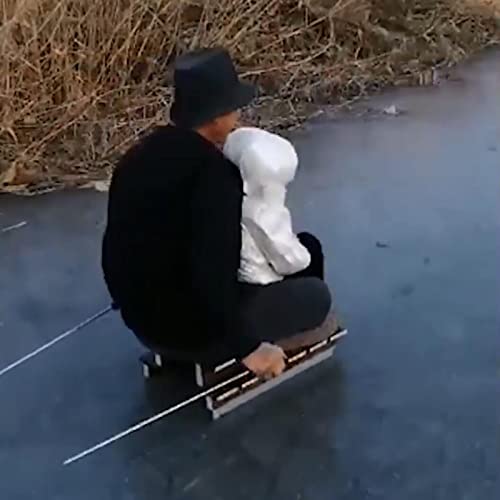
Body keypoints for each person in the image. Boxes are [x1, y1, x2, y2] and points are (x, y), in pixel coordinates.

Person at [101, 48, 334, 380]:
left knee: (300, 253)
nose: (238, 116)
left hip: (142, 322)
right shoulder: (215, 177)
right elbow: (210, 276)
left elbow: (113, 248)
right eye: (234, 108)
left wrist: (128, 300)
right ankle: (258, 347)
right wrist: (248, 348)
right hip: (195, 334)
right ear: (216, 116)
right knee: (315, 290)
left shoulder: (136, 157)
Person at [223, 126, 312, 285]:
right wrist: (305, 256)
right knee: (312, 256)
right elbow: (289, 261)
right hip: (254, 285)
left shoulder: (223, 189)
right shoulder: (257, 209)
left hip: (232, 276)